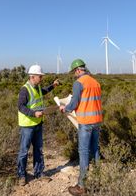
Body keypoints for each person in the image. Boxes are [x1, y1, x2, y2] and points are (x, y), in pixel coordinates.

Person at [59, 59, 102, 196]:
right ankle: (97, 180)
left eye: (74, 72)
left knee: (83, 152)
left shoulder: (79, 83)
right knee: (95, 150)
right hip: (97, 121)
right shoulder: (95, 82)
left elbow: (74, 103)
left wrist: (64, 108)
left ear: (78, 70)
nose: (74, 75)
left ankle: (81, 186)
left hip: (85, 122)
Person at [17, 64, 60, 186]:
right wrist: (33, 113)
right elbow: (20, 106)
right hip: (27, 125)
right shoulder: (25, 89)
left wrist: (53, 85)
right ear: (32, 77)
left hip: (38, 124)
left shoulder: (38, 87)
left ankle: (39, 173)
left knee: (38, 150)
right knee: (24, 152)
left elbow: (45, 91)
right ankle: (21, 175)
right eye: (39, 76)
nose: (41, 78)